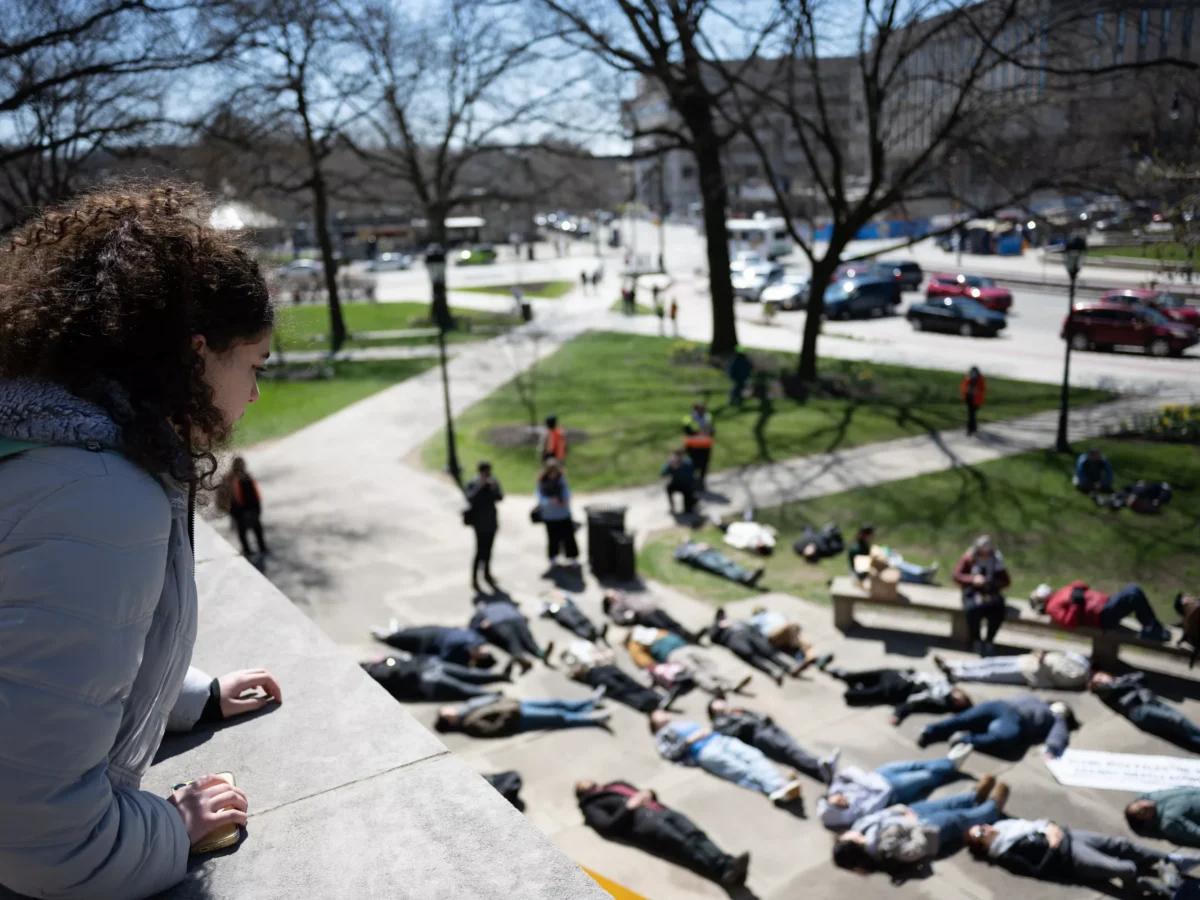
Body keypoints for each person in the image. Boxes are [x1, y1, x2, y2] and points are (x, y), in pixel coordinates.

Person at [0, 183, 284, 899]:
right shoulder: (96, 494)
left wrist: (184, 697)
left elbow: (41, 650)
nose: (254, 396)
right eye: (253, 366)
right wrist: (170, 824)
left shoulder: (59, 445)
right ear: (195, 354)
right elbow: (46, 842)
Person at [575, 779, 750, 887]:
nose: (584, 781)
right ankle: (722, 871)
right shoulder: (591, 806)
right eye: (580, 784)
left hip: (663, 811)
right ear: (580, 792)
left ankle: (728, 863)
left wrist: (649, 793)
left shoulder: (615, 784)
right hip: (646, 824)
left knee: (696, 835)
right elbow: (607, 826)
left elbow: (642, 793)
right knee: (685, 844)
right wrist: (629, 807)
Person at [966, 817, 1199, 895]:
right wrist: (1053, 846)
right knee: (1125, 868)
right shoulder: (1005, 856)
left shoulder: (1006, 825)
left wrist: (1050, 826)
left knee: (1120, 844)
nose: (984, 827)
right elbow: (1037, 871)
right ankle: (1145, 888)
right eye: (980, 832)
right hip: (1069, 856)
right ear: (982, 845)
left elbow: (1039, 823)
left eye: (981, 826)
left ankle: (1171, 861)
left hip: (1072, 835)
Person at [834, 782, 1009, 875]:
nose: (844, 833)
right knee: (960, 818)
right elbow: (918, 848)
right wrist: (915, 824)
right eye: (844, 838)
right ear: (852, 844)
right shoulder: (883, 850)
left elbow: (880, 815)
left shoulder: (860, 827)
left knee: (948, 803)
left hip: (910, 813)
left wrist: (902, 811)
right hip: (928, 830)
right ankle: (993, 808)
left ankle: (975, 796)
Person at [649, 710, 803, 804]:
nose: (662, 713)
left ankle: (779, 783)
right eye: (658, 714)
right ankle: (774, 789)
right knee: (739, 769)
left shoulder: (682, 722)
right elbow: (669, 753)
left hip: (719, 740)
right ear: (654, 723)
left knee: (753, 756)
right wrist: (690, 740)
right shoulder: (661, 736)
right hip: (704, 751)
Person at [818, 753, 975, 830]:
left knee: (919, 764)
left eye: (836, 797)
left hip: (881, 773)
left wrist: (866, 781)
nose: (841, 797)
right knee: (927, 776)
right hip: (896, 788)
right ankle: (951, 764)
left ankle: (949, 762)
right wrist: (866, 781)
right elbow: (882, 792)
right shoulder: (859, 812)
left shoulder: (837, 789)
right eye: (840, 803)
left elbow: (849, 770)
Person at [708, 698, 835, 783]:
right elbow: (733, 733)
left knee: (792, 749)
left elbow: (754, 715)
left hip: (766, 727)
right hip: (758, 735)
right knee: (788, 751)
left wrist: (763, 718)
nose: (722, 702)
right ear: (712, 708)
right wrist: (748, 723)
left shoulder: (735, 711)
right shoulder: (718, 722)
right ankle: (819, 764)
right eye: (717, 701)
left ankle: (821, 774)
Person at [918, 695, 1076, 759]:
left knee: (1003, 734)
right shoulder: (1040, 703)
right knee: (964, 719)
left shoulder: (1056, 717)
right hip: (1005, 711)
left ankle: (963, 738)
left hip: (1006, 715)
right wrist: (1052, 749)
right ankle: (931, 731)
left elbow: (1058, 734)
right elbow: (1059, 732)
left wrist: (1052, 749)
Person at [1090, 671, 1200, 752]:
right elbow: (1115, 686)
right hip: (1138, 710)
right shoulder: (1103, 691)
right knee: (1176, 720)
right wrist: (1128, 681)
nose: (1100, 680)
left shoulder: (1121, 679)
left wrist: (1127, 680)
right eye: (1097, 681)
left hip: (1150, 701)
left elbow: (1141, 676)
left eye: (1100, 676)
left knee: (1180, 720)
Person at [626, 625, 750, 697]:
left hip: (685, 647)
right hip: (673, 655)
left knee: (709, 664)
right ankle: (714, 688)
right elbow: (642, 660)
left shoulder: (653, 631)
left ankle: (731, 683)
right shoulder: (635, 643)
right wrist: (655, 667)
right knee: (695, 670)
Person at [822, 665, 972, 723]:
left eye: (960, 703)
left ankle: (852, 688)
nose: (958, 698)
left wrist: (898, 714)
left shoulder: (939, 703)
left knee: (853, 696)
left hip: (898, 690)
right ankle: (843, 674)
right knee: (864, 675)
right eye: (962, 697)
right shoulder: (946, 684)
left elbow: (914, 703)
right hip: (897, 676)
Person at [561, 640, 677, 712]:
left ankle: (656, 698)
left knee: (630, 684)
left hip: (605, 667)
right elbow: (574, 673)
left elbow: (602, 653)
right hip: (595, 672)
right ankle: (646, 704)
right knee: (622, 690)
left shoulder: (585, 646)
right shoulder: (571, 658)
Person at [1034, 581, 1171, 641]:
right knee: (1133, 592)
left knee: (1134, 593)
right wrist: (1075, 604)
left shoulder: (1060, 592)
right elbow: (1069, 622)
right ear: (1040, 602)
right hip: (1101, 616)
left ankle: (1152, 628)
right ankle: (1152, 629)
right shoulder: (1052, 607)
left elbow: (1083, 585)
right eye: (1037, 594)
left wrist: (1077, 587)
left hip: (1105, 605)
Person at [434, 693, 609, 737]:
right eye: (446, 712)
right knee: (558, 716)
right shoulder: (469, 725)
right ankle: (593, 719)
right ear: (449, 720)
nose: (450, 708)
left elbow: (488, 701)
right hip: (519, 718)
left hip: (518, 705)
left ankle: (589, 703)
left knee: (556, 703)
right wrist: (509, 713)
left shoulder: (467, 708)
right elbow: (497, 728)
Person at [361, 653, 512, 702]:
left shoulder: (374, 666)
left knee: (467, 674)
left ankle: (499, 677)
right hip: (425, 680)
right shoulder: (375, 675)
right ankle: (494, 695)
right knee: (462, 688)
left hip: (426, 666)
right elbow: (396, 672)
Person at [706, 609, 804, 683]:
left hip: (749, 634)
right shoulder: (715, 628)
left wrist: (759, 635)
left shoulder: (735, 621)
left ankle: (789, 668)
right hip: (735, 639)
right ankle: (773, 672)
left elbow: (750, 626)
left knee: (768, 651)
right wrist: (719, 626)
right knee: (752, 656)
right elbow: (712, 638)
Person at [953, 535, 1010, 655]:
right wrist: (972, 579)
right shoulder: (969, 557)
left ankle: (989, 640)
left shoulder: (997, 559)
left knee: (998, 609)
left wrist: (992, 582)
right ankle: (976, 640)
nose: (985, 553)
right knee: (972, 609)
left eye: (987, 549)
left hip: (990, 591)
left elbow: (1006, 581)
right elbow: (957, 576)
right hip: (972, 591)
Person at [934, 650, 1092, 690]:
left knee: (992, 674)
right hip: (1026, 660)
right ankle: (953, 664)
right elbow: (1060, 655)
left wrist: (1043, 660)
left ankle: (958, 675)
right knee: (990, 662)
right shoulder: (1079, 660)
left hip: (1031, 673)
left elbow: (1058, 678)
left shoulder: (1079, 675)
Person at [469, 597, 553, 673]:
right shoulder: (484, 610)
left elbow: (516, 608)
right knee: (512, 641)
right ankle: (522, 660)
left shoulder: (503, 603)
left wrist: (522, 616)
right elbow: (473, 625)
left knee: (528, 639)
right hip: (499, 623)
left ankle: (540, 654)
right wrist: (481, 625)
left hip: (515, 619)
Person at [369, 619, 497, 669]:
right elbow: (474, 624)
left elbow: (439, 659)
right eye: (483, 649)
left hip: (427, 642)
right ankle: (397, 631)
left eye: (481, 653)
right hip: (437, 630)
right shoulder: (478, 637)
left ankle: (386, 636)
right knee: (411, 631)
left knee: (399, 639)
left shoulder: (460, 657)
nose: (480, 649)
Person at [464, 460, 503, 592]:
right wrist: (481, 486)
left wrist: (493, 488)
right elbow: (470, 498)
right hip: (479, 523)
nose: (487, 474)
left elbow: (500, 497)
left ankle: (487, 573)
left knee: (489, 550)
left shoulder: (493, 482)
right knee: (480, 551)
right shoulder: (472, 483)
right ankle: (474, 578)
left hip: (491, 521)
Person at [602, 589, 698, 642]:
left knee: (673, 623)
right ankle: (683, 640)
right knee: (665, 628)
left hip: (654, 609)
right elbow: (620, 619)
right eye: (612, 596)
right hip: (645, 616)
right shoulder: (614, 608)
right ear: (608, 600)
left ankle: (691, 636)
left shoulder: (626, 596)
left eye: (614, 593)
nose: (615, 595)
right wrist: (631, 616)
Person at [744, 606, 825, 667]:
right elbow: (751, 628)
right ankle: (801, 651)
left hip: (787, 633)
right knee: (792, 627)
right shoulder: (756, 618)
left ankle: (812, 657)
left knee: (800, 637)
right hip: (773, 634)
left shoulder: (775, 613)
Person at [535, 458, 579, 567]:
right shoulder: (542, 483)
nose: (552, 474)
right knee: (552, 538)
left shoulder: (561, 481)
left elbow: (567, 494)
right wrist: (549, 500)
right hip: (549, 515)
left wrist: (564, 500)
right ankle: (553, 557)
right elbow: (540, 498)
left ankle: (573, 557)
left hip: (563, 513)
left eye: (554, 471)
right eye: (550, 472)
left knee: (568, 537)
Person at [1127, 788, 1200, 847]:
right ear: (1147, 821)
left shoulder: (1152, 796)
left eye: (1139, 804)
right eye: (1142, 812)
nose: (1144, 807)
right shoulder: (1169, 822)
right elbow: (1194, 832)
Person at [674, 540, 764, 587]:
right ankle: (742, 579)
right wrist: (696, 551)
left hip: (710, 552)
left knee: (728, 563)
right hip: (701, 557)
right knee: (722, 567)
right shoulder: (682, 549)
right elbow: (680, 556)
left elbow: (702, 545)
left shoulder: (692, 543)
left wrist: (705, 546)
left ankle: (747, 574)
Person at [225, 456, 267, 557]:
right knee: (253, 529)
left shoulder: (231, 478)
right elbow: (252, 496)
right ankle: (256, 548)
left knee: (247, 531)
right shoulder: (241, 478)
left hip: (242, 511)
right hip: (243, 510)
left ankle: (254, 548)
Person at [539, 590, 606, 643]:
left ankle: (597, 632)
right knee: (579, 628)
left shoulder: (564, 599)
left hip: (578, 615)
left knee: (586, 622)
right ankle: (589, 636)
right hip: (572, 621)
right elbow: (543, 614)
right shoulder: (551, 606)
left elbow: (568, 598)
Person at [681, 402, 714, 490]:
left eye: (703, 409)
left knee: (703, 467)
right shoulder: (689, 418)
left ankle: (701, 483)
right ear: (695, 410)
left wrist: (704, 431)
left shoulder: (708, 418)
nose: (701, 411)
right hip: (693, 448)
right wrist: (700, 431)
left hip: (705, 448)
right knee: (692, 467)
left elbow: (712, 431)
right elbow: (688, 431)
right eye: (699, 409)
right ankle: (692, 483)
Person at [661, 447, 697, 515]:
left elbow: (689, 476)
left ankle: (692, 501)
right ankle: (672, 506)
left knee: (688, 510)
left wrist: (679, 467)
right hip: (676, 483)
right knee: (668, 487)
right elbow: (662, 473)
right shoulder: (671, 462)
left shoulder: (687, 463)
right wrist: (670, 466)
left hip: (686, 485)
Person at [961, 365, 986, 436]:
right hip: (969, 398)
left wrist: (977, 391)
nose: (973, 373)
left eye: (974, 372)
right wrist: (966, 391)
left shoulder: (980, 379)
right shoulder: (967, 378)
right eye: (972, 371)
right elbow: (963, 387)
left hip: (976, 400)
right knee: (971, 415)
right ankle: (973, 428)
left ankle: (970, 429)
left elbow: (983, 389)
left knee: (972, 415)